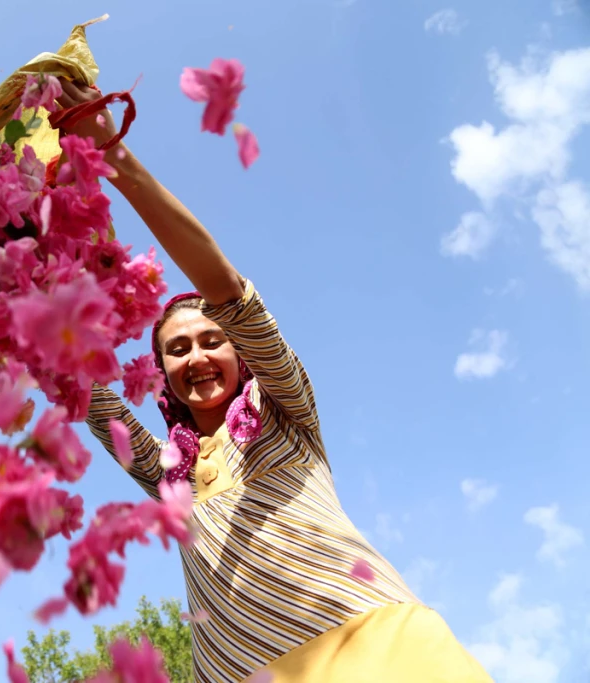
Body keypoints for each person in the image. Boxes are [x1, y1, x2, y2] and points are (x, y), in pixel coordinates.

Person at [54, 79, 493, 683]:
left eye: (213, 340)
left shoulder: (288, 410)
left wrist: (112, 155)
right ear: (164, 380)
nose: (198, 356)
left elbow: (227, 289)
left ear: (243, 353)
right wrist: (19, 258)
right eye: (178, 350)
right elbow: (80, 382)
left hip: (375, 648)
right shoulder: (165, 476)